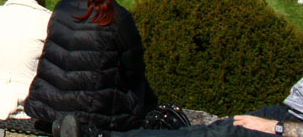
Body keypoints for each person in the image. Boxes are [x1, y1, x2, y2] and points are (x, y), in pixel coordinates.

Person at [25, 0, 156, 133]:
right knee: (141, 93)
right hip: (92, 114)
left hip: (49, 104)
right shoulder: (120, 19)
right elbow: (134, 72)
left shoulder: (63, 6)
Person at [58, 76, 303, 137]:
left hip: (287, 125)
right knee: (202, 131)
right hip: (284, 113)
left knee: (203, 134)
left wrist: (280, 129)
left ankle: (102, 135)